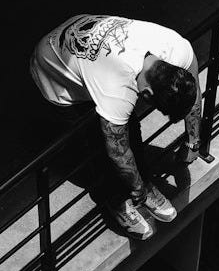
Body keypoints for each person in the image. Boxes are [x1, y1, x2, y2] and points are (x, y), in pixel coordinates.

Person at [30, 14, 202, 239]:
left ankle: (144, 184)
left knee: (129, 125)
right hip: (54, 70)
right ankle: (116, 201)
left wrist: (193, 140)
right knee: (98, 144)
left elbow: (195, 89)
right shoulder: (117, 87)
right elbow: (117, 151)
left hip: (83, 36)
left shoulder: (176, 48)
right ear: (148, 94)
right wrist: (136, 189)